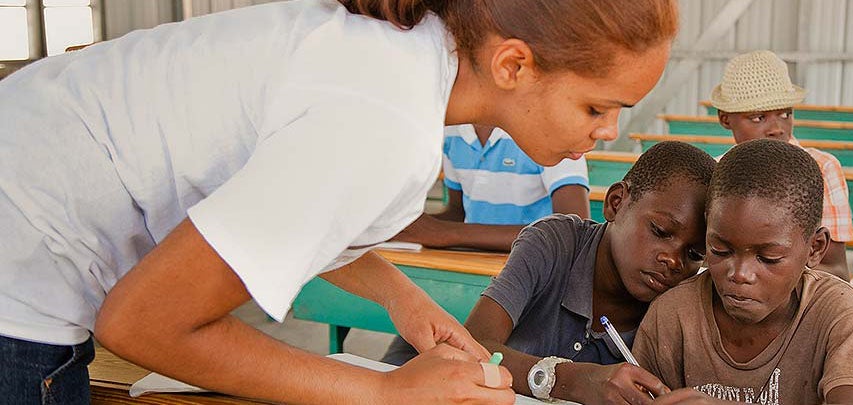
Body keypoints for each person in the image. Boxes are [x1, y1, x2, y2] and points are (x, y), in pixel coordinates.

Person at [0, 0, 679, 403]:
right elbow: (142, 324)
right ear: (512, 65)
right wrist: (385, 391)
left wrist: (401, 298)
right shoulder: (386, 121)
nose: (608, 131)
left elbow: (288, 205)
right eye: (597, 105)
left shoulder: (401, 58)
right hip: (22, 270)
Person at [385, 141, 715, 405]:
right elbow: (474, 347)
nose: (674, 261)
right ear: (616, 203)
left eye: (694, 254)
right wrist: (570, 379)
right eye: (660, 231)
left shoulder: (679, 306)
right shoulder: (555, 243)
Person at [633, 139, 853, 405]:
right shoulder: (673, 315)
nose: (740, 274)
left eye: (768, 258)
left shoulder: (835, 311)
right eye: (720, 250)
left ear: (815, 249)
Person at [711, 50, 853, 280]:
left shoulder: (823, 169)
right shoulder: (715, 172)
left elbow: (837, 270)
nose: (777, 128)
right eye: (759, 117)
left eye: (786, 114)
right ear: (725, 118)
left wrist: (763, 280)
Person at [392, 123, 590, 251]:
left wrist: (448, 233)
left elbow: (574, 230)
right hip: (471, 261)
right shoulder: (452, 131)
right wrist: (401, 226)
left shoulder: (552, 129)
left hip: (536, 267)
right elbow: (457, 212)